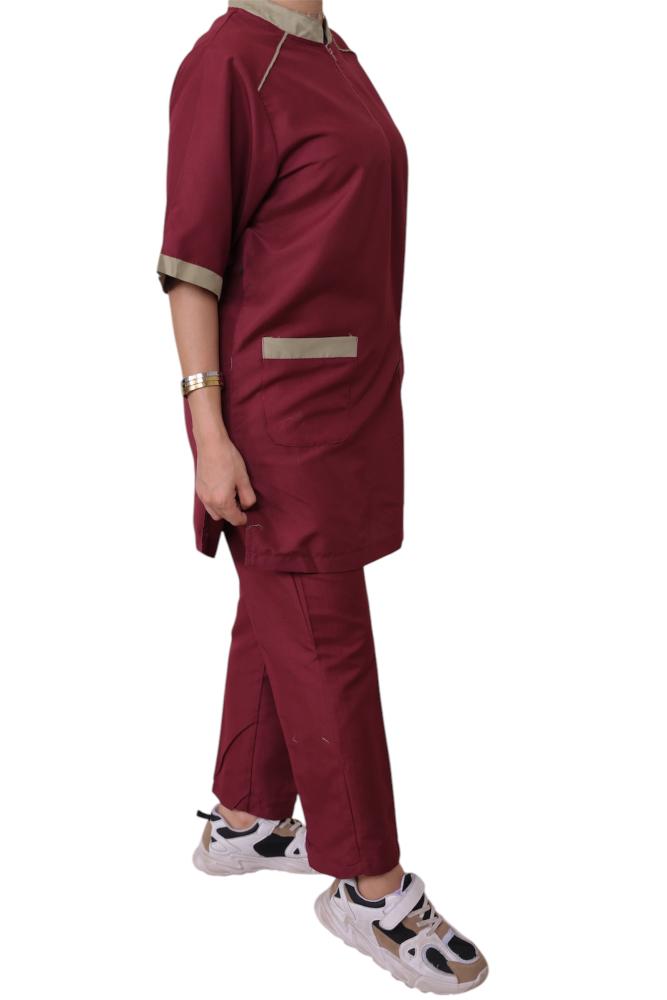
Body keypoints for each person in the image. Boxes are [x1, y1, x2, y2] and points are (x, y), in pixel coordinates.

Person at [156, 0, 488, 992]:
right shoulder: (228, 63)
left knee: (283, 611)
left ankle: (247, 818)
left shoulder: (330, 54)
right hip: (278, 414)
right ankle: (371, 887)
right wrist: (208, 431)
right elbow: (191, 267)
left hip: (348, 396)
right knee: (325, 634)